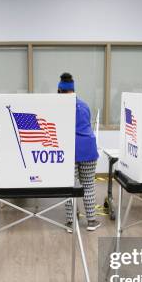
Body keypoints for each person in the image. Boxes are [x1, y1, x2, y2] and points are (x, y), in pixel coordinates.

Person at [59, 72, 101, 231]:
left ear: (60, 90)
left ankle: (71, 222)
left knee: (70, 186)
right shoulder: (84, 105)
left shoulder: (60, 106)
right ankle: (91, 222)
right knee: (88, 185)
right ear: (73, 89)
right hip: (88, 148)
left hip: (70, 150)